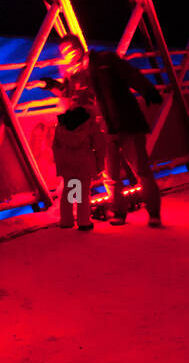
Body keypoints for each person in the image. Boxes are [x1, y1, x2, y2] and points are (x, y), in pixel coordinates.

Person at [39, 35, 164, 227]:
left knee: (142, 171)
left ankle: (154, 214)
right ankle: (119, 213)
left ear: (81, 46)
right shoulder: (75, 75)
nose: (69, 53)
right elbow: (69, 92)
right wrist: (51, 85)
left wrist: (148, 90)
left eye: (72, 48)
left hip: (127, 123)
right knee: (110, 176)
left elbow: (130, 74)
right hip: (103, 130)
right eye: (65, 52)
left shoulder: (105, 60)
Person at [52, 105, 104, 230]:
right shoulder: (90, 125)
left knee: (69, 192)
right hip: (84, 163)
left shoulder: (61, 126)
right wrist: (99, 164)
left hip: (67, 164)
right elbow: (99, 146)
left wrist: (60, 164)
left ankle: (67, 220)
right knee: (83, 194)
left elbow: (55, 146)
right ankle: (83, 221)